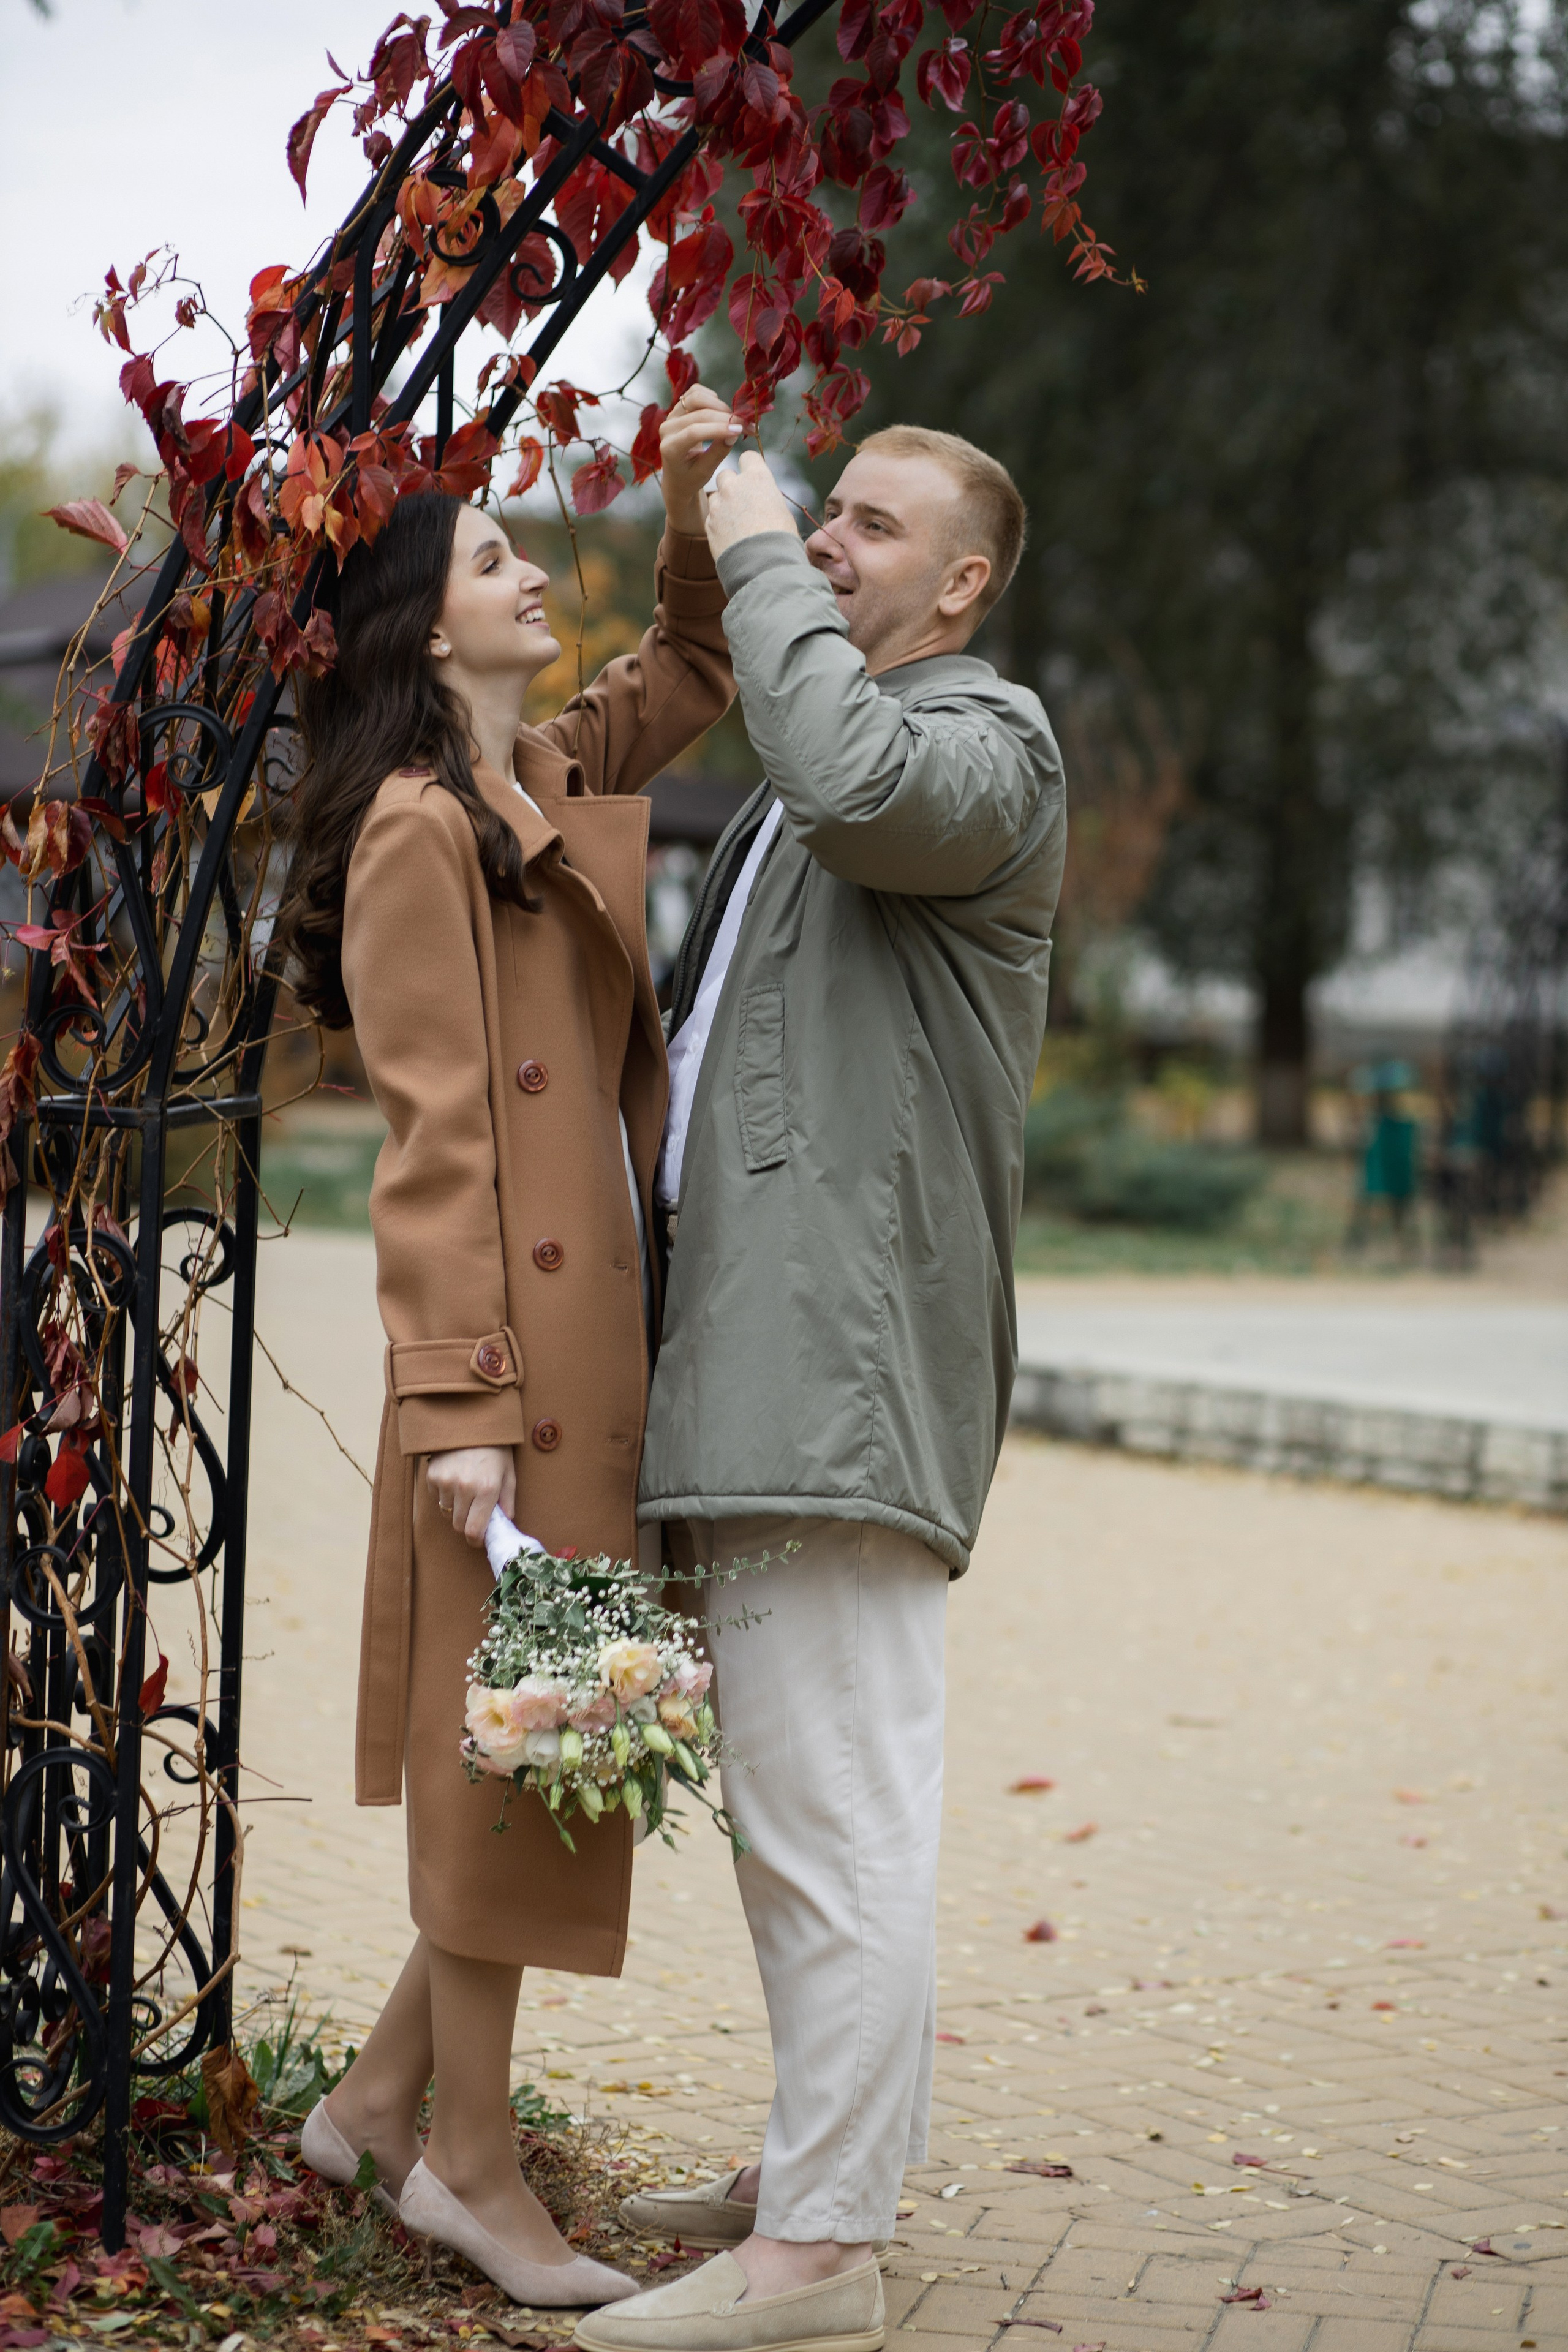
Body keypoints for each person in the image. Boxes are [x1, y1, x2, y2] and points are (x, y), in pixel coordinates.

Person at [580, 427, 1067, 2352]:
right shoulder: (830, 748)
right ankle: (818, 2175)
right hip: (770, 1357)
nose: (830, 544)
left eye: (876, 525)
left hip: (842, 1369)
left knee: (837, 1814)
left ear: (959, 586)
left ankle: (821, 2260)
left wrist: (754, 535)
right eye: (829, 506)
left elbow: (855, 780)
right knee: (806, 1812)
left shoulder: (985, 745)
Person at [271, 387, 740, 2305]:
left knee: (553, 1744)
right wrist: (457, 1400)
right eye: (490, 558)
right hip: (510, 1388)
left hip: (588, 1368)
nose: (530, 571)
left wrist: (705, 497)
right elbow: (435, 1135)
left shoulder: (532, 772)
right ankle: (469, 2167)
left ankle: (382, 2107)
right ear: (421, 622)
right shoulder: (411, 830)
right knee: (519, 1759)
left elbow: (699, 658)